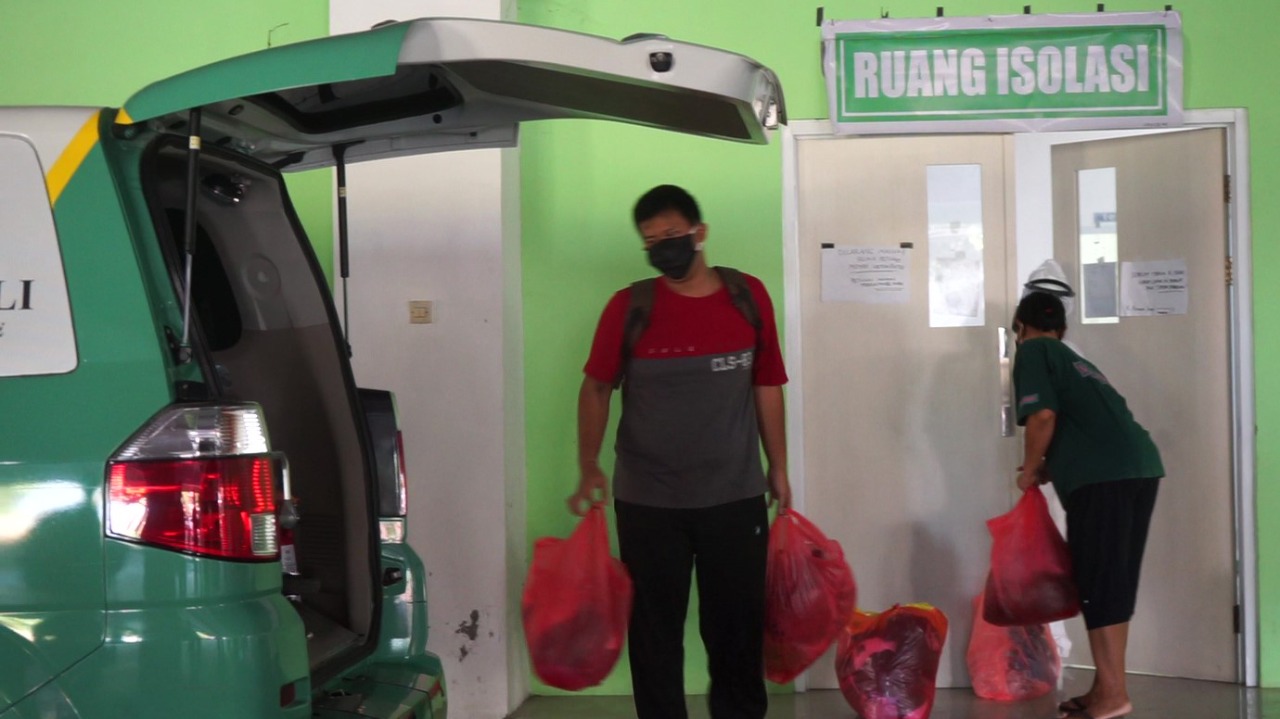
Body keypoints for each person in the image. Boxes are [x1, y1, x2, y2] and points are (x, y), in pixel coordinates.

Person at [571, 184, 791, 719]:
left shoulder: (748, 297)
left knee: (737, 631)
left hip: (734, 496)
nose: (662, 247)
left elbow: (767, 384)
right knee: (654, 635)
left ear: (700, 232)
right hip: (649, 502)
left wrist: (779, 467)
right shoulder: (630, 307)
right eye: (650, 241)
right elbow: (596, 387)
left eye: (671, 234)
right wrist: (588, 466)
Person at [1010, 291, 1164, 719]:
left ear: (1020, 327)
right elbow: (1087, 424)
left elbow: (1043, 416)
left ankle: (1114, 695)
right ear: (1062, 328)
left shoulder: (1034, 351)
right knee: (1114, 581)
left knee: (1099, 583)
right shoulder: (1077, 361)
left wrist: (1028, 469)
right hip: (1139, 469)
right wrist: (1052, 466)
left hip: (1102, 479)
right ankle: (1106, 688)